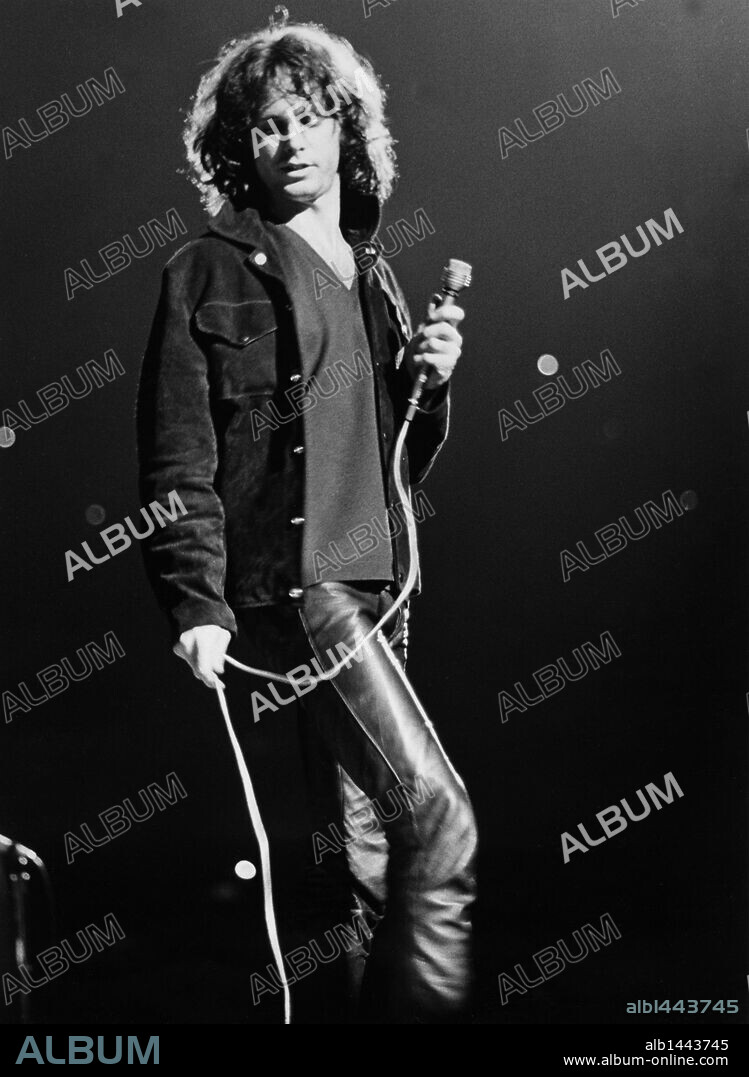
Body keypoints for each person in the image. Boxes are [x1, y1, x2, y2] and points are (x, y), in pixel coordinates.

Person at [137, 13, 477, 1024]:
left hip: (381, 594)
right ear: (236, 147)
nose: (284, 142)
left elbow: (398, 459)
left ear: (343, 131)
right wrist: (193, 601)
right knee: (441, 822)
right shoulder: (206, 269)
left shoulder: (374, 276)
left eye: (304, 119)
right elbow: (176, 454)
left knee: (363, 863)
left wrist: (435, 383)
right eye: (264, 127)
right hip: (298, 594)